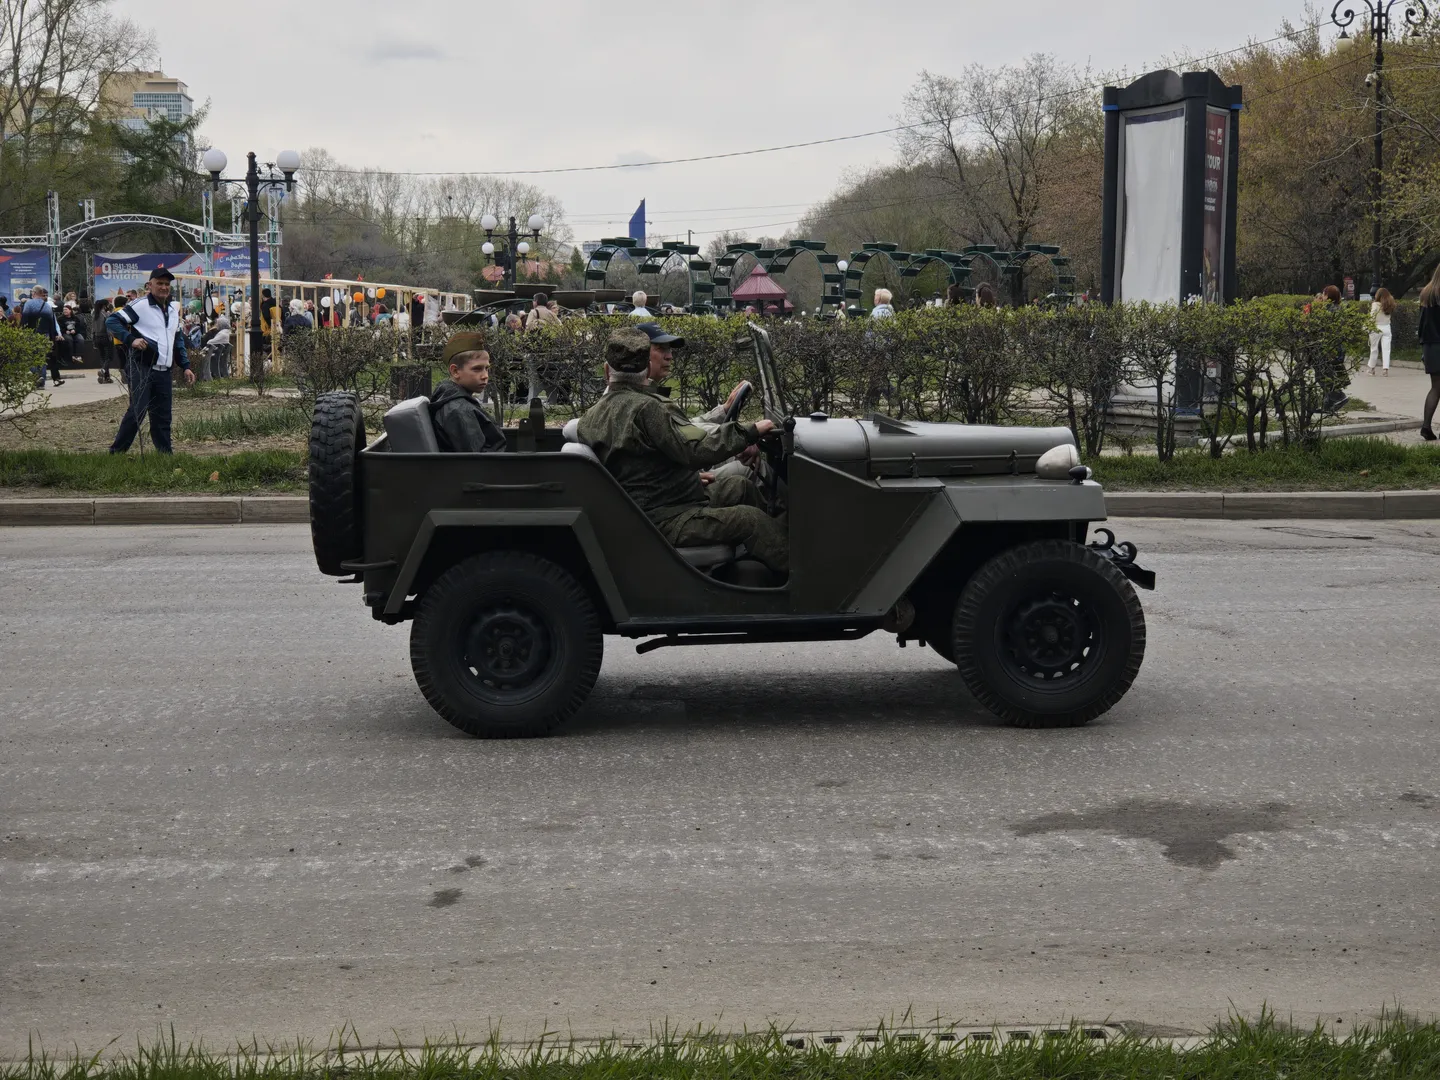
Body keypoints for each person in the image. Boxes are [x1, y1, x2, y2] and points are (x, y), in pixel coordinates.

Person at [577, 327, 786, 574]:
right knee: (750, 520)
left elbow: (632, 464)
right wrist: (750, 431)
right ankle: (807, 585)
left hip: (654, 506)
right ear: (646, 366)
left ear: (606, 371)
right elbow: (696, 451)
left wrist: (681, 478)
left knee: (739, 487)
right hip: (665, 519)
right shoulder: (647, 409)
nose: (668, 356)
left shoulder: (590, 418)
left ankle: (767, 560)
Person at [106, 266, 194, 454]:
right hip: (142, 365)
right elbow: (112, 321)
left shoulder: (171, 310)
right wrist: (131, 339)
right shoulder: (140, 305)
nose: (163, 287)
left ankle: (164, 454)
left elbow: (177, 340)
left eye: (166, 284)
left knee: (163, 415)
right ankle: (116, 452)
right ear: (150, 285)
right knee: (138, 410)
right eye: (159, 283)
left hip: (164, 370)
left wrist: (185, 366)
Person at [429, 331, 507, 453]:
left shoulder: (457, 401)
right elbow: (475, 461)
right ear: (455, 371)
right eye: (477, 369)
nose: (485, 376)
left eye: (487, 368)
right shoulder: (458, 410)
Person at [20, 286, 65, 386]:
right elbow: (51, 323)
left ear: (35, 293)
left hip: (31, 335)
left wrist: (22, 333)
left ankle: (36, 375)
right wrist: (53, 337)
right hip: (45, 335)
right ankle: (41, 381)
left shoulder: (29, 304)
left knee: (30, 357)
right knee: (42, 358)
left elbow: (24, 320)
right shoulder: (47, 306)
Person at [1419, 266, 1440, 440]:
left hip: (1430, 345)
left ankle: (1426, 425)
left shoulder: (1427, 293)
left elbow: (1421, 324)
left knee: (1435, 387)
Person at [1368, 287, 1396, 376]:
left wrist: (1368, 327)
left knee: (1374, 349)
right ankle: (1385, 370)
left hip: (1376, 327)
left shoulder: (1375, 304)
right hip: (1387, 327)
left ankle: (1372, 369)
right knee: (1386, 349)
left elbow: (1372, 317)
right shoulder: (1390, 304)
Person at [92, 298, 114, 383]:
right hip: (106, 337)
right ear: (104, 305)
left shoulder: (94, 314)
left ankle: (106, 376)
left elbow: (92, 329)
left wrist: (93, 339)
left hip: (97, 337)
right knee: (109, 357)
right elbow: (109, 326)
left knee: (102, 357)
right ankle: (103, 370)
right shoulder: (106, 314)